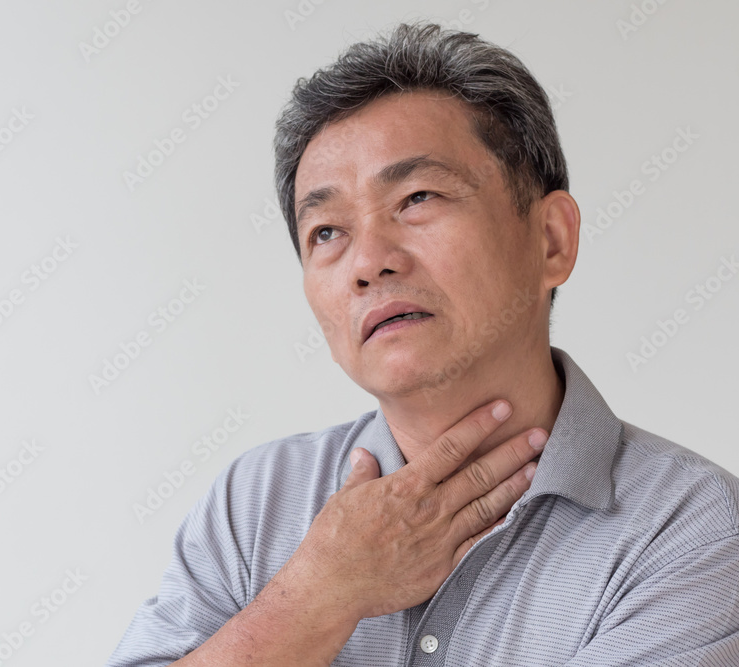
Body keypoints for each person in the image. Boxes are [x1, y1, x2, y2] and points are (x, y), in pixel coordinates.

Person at [107, 22, 739, 666]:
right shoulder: (254, 503)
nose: (368, 262)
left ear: (551, 240)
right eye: (326, 231)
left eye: (416, 197)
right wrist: (320, 592)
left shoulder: (693, 530)